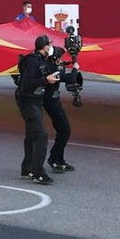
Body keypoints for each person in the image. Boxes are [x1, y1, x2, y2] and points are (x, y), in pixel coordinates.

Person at [15, 35, 59, 185]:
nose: (52, 47)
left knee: (31, 135)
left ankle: (26, 169)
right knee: (41, 136)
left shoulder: (42, 60)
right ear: (45, 46)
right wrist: (46, 80)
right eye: (50, 44)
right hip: (28, 101)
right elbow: (28, 83)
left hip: (36, 101)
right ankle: (38, 173)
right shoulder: (33, 61)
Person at [42, 44, 75, 174]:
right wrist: (75, 69)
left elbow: (63, 65)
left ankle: (58, 158)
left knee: (63, 130)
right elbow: (70, 78)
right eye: (58, 58)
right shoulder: (51, 69)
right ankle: (54, 158)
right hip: (51, 101)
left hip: (53, 100)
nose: (60, 60)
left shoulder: (52, 65)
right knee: (64, 130)